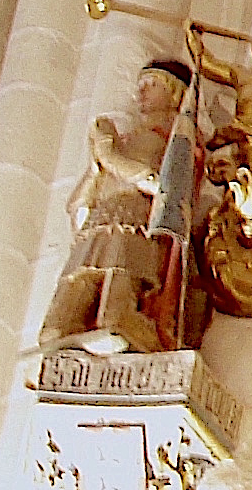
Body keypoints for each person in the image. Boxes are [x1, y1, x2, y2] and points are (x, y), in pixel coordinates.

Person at [38, 59, 195, 353]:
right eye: (140, 86)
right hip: (97, 225)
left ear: (175, 93)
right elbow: (76, 203)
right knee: (55, 329)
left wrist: (108, 155)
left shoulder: (172, 140)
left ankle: (154, 343)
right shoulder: (125, 140)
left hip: (132, 223)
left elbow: (160, 186)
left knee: (115, 317)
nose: (141, 94)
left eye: (151, 85)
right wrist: (97, 161)